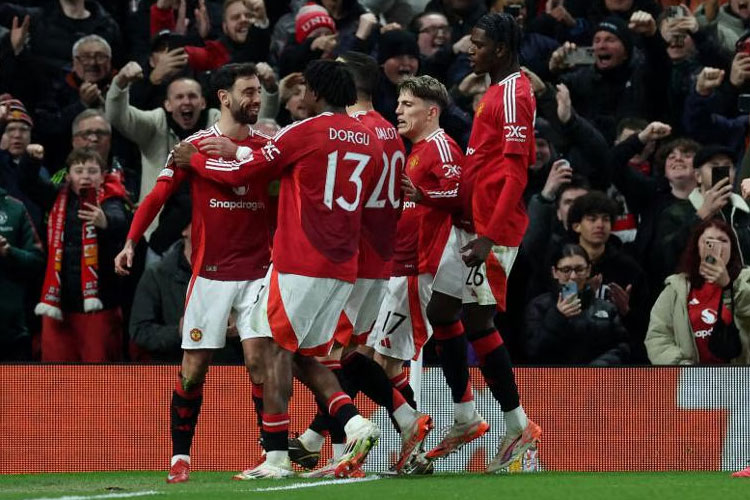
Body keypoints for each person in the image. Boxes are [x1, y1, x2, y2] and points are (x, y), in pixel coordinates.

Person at [179, 59, 382, 479]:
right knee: (305, 354)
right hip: (344, 263)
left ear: (317, 92)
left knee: (272, 349)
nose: (300, 95)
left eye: (305, 87)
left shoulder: (303, 131)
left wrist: (195, 161)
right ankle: (353, 425)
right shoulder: (369, 139)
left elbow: (246, 169)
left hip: (301, 259)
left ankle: (275, 459)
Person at [113, 63, 273, 484]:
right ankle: (180, 455)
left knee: (259, 361)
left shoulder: (267, 147)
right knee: (194, 368)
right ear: (223, 97)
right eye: (249, 92)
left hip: (259, 271)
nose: (256, 100)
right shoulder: (191, 146)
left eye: (258, 92)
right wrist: (131, 240)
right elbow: (157, 195)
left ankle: (269, 452)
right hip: (211, 275)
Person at [289, 53, 431, 476]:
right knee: (348, 355)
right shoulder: (388, 130)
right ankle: (402, 420)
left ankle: (344, 449)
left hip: (351, 256)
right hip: (381, 257)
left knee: (326, 356)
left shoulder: (349, 132)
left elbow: (345, 200)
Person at [420, 12, 541, 473]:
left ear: (502, 50)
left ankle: (516, 425)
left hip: (492, 230)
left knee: (474, 316)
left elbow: (514, 170)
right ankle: (468, 417)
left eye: (478, 44)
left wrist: (489, 235)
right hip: (472, 223)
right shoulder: (494, 91)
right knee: (442, 311)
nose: (469, 51)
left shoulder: (514, 93)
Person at [31, 147, 128, 362]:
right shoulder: (55, 195)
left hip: (99, 306)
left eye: (92, 171)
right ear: (68, 176)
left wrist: (106, 222)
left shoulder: (112, 200)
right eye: (79, 170)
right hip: (58, 306)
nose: (85, 176)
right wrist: (32, 161)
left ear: (103, 176)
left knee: (99, 379)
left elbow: (122, 222)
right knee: (57, 380)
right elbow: (28, 184)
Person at [645, 218, 750, 365]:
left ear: (732, 248)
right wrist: (684, 367)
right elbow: (658, 336)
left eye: (723, 241)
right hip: (691, 380)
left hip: (741, 377)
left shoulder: (746, 280)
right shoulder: (676, 288)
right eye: (709, 242)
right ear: (697, 247)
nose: (716, 247)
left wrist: (727, 285)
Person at [567, 190, 650, 361]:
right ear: (576, 226)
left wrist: (626, 311)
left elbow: (646, 325)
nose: (600, 224)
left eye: (605, 219)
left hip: (617, 357)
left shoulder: (629, 268)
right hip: (570, 355)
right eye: (592, 219)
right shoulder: (563, 266)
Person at [525, 243, 631, 365]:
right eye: (566, 270)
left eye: (579, 269)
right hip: (553, 380)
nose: (573, 276)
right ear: (554, 272)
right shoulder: (539, 306)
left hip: (598, 378)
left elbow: (622, 347)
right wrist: (557, 317)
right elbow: (533, 351)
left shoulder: (606, 308)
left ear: (588, 270)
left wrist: (600, 366)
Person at [150, 0, 271, 71]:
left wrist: (261, 21)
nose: (244, 20)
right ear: (225, 27)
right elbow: (168, 53)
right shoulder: (214, 53)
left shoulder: (266, 46)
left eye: (249, 16)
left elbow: (258, 51)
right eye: (235, 17)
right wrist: (162, 11)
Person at [0, 184, 44, 361]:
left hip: (12, 330)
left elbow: (37, 260)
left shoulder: (14, 208)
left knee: (16, 388)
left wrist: (9, 252)